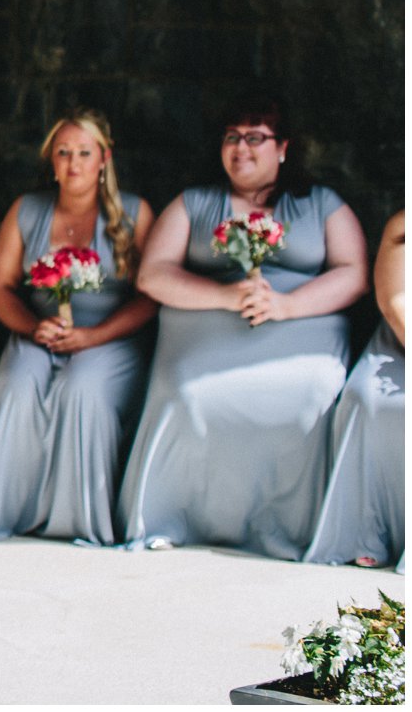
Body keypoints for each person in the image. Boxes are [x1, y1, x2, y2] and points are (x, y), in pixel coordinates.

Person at [118, 92, 369, 559]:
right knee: (190, 395)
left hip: (299, 323)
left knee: (310, 394)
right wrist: (225, 295)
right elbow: (152, 274)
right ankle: (175, 517)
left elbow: (354, 272)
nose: (242, 148)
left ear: (283, 147)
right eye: (232, 137)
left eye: (256, 137)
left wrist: (288, 305)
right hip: (207, 327)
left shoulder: (320, 203)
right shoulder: (195, 202)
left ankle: (293, 528)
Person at [0, 110, 158, 545]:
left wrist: (94, 336)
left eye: (84, 153)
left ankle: (77, 519)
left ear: (104, 159)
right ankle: (7, 512)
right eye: (63, 153)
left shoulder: (134, 213)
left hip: (111, 336)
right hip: (40, 331)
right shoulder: (27, 210)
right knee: (20, 380)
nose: (74, 164)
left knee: (83, 390)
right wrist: (34, 328)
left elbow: (150, 296)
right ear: (50, 160)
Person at [304, 211, 405, 568]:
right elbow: (396, 303)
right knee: (370, 399)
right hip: (401, 341)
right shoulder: (402, 225)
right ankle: (369, 529)